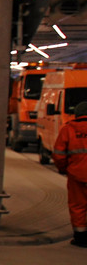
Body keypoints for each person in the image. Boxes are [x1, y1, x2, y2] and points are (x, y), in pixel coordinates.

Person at [52, 100, 87, 248]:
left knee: (78, 206)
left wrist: (64, 168)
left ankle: (80, 237)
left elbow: (59, 154)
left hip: (76, 175)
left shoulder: (68, 129)